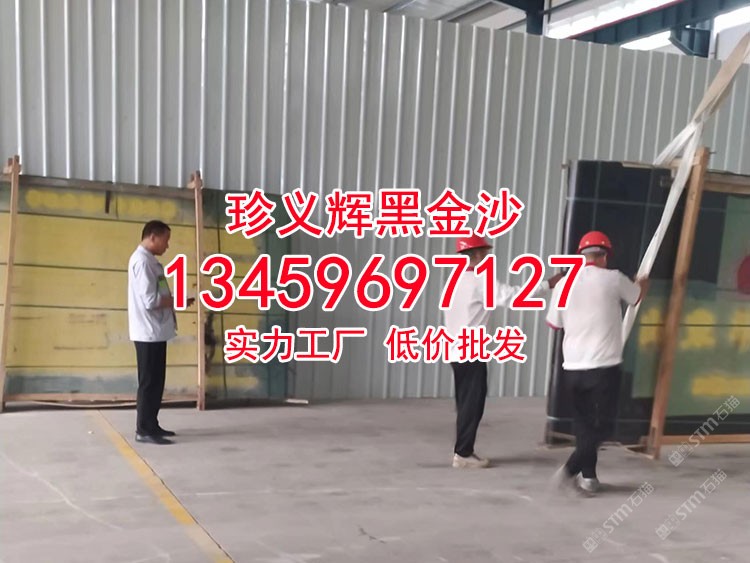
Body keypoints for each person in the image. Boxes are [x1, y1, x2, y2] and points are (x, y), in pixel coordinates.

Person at [443, 234, 563, 469]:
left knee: (465, 402)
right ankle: (463, 453)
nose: (488, 257)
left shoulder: (456, 279)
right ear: (478, 254)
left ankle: (463, 449)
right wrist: (547, 284)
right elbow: (514, 296)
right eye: (486, 253)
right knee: (472, 404)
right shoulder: (479, 280)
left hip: (456, 351)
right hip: (471, 352)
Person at [546, 231, 649, 493]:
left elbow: (554, 324)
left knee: (583, 425)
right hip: (604, 367)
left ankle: (589, 478)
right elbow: (637, 296)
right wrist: (642, 282)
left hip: (572, 368)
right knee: (603, 426)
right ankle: (570, 469)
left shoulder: (564, 284)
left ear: (581, 257)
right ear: (604, 256)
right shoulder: (613, 278)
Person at [127, 220, 194, 445]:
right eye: (165, 240)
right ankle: (143, 430)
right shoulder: (142, 262)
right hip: (147, 332)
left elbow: (160, 295)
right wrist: (176, 300)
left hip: (155, 332)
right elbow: (150, 300)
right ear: (153, 237)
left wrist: (177, 300)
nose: (167, 245)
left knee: (157, 381)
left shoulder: (151, 262)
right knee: (148, 382)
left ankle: (152, 424)